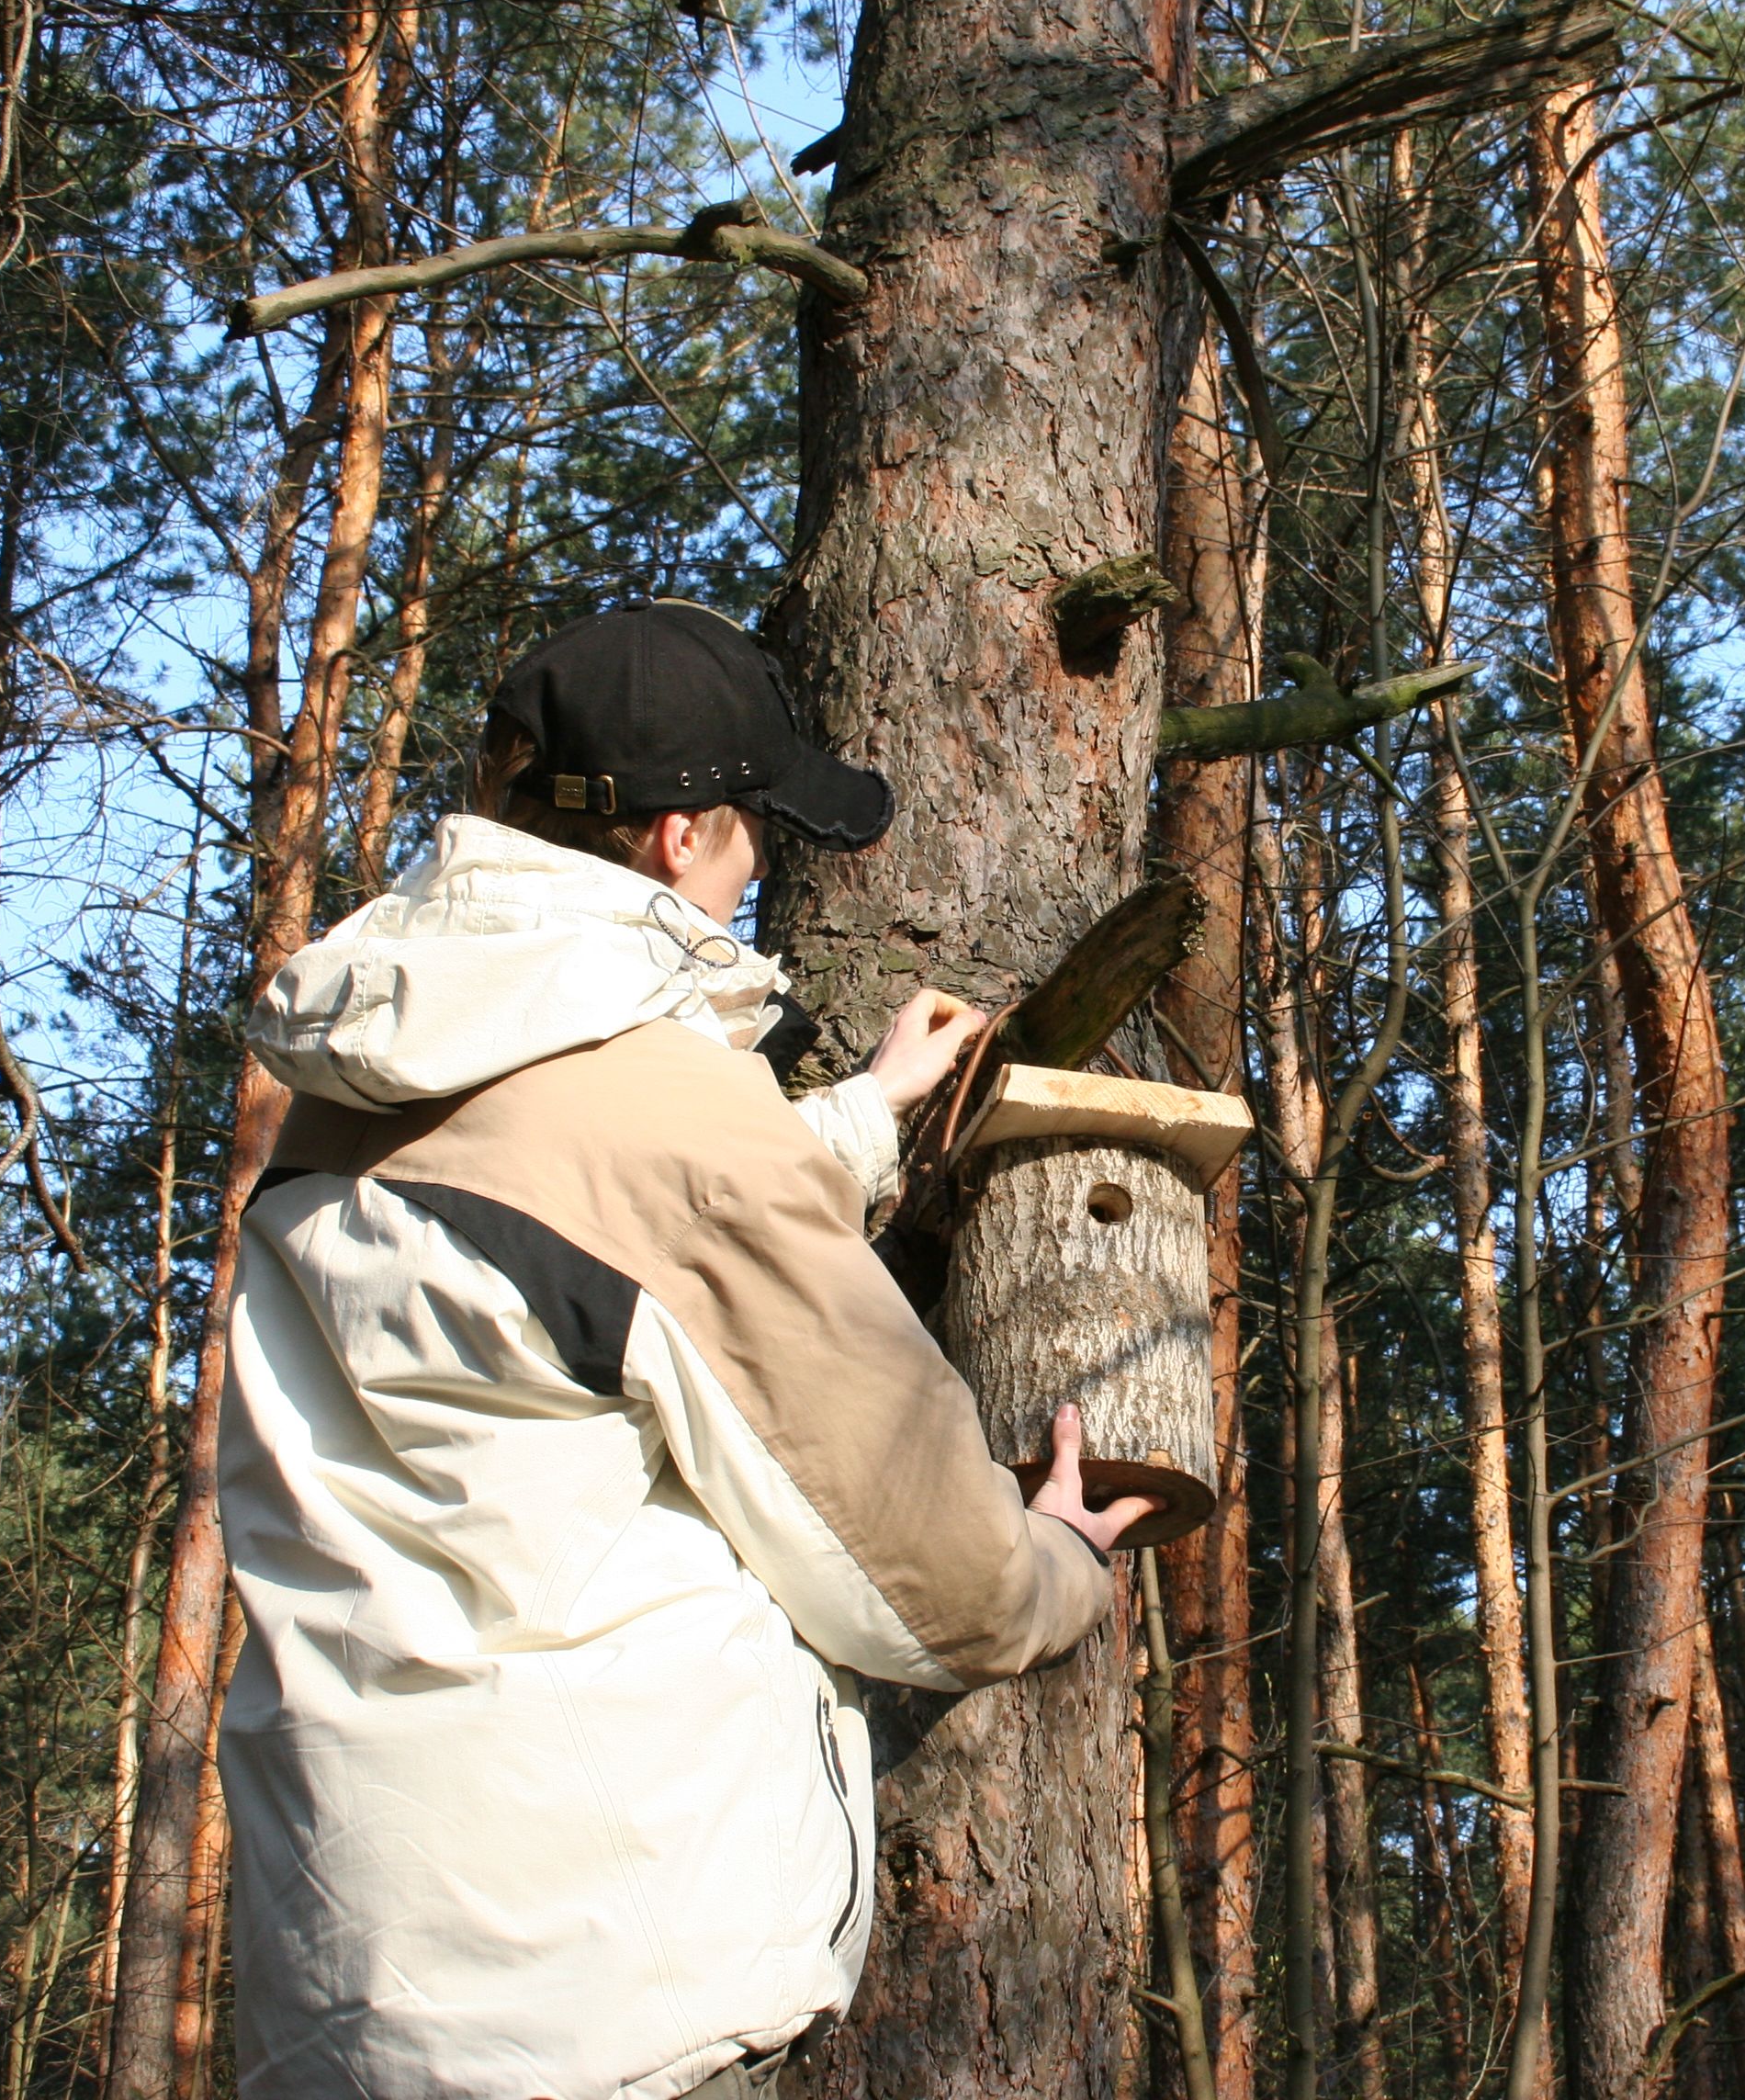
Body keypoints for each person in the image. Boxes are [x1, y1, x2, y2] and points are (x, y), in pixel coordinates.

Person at [219, 599, 1149, 2100]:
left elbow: (564, 1256)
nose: (762, 869)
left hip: (359, 1968)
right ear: (677, 837)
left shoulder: (363, 1082)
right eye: (755, 834)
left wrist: (848, 1124)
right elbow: (937, 1581)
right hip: (607, 1986)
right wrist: (1058, 1561)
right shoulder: (664, 1117)